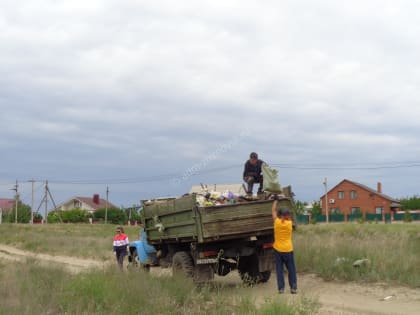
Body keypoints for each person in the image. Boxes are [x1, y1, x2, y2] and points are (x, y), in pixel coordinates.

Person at [271, 197, 297, 294]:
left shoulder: (277, 222)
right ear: (287, 216)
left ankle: (281, 289)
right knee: (291, 270)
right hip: (288, 250)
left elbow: (273, 210)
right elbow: (290, 219)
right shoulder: (289, 224)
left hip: (278, 250)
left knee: (279, 270)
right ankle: (293, 288)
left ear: (279, 216)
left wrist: (276, 200)